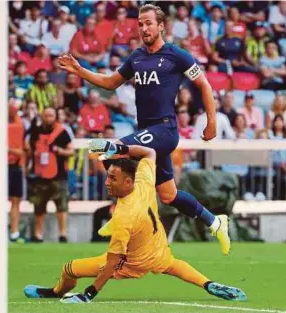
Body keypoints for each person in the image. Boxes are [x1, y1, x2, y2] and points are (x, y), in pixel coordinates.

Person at [58, 4, 231, 255]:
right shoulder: (136, 57)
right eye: (140, 23)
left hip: (164, 130)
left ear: (161, 26)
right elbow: (110, 82)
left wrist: (211, 121)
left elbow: (204, 84)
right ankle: (215, 222)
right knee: (169, 195)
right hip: (147, 132)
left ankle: (120, 218)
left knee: (110, 151)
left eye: (148, 23)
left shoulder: (177, 55)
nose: (143, 28)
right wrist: (79, 70)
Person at [24, 141, 246, 302]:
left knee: (70, 268)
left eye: (113, 178)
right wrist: (120, 149)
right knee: (172, 264)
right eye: (108, 176)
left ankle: (55, 292)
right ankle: (208, 284)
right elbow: (149, 152)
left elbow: (111, 264)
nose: (107, 182)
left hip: (130, 263)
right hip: (157, 249)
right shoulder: (143, 180)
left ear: (127, 181)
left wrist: (88, 294)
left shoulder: (123, 217)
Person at [28, 108, 74, 243]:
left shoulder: (62, 132)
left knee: (62, 207)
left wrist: (59, 151)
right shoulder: (35, 132)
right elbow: (29, 148)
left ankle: (63, 234)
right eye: (46, 115)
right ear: (42, 116)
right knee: (39, 208)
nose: (48, 118)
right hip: (39, 175)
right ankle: (38, 234)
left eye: (51, 115)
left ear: (55, 117)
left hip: (58, 175)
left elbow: (71, 151)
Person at [8, 105, 25, 243]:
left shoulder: (20, 126)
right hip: (0, 167)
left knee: (15, 200)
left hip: (15, 167)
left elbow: (23, 150)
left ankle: (14, 232)